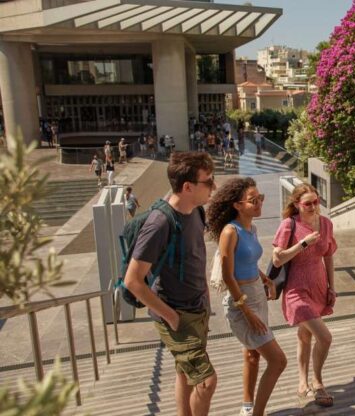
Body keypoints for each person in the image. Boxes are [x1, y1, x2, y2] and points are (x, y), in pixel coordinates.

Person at [123, 152, 217, 416]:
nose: (214, 186)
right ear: (188, 187)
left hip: (197, 308)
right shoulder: (160, 223)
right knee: (206, 381)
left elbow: (196, 257)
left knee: (185, 372)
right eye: (208, 181)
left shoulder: (196, 211)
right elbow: (132, 281)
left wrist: (205, 299)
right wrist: (171, 316)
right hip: (176, 313)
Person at [207, 178, 287, 416]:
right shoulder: (230, 232)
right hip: (241, 301)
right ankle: (257, 413)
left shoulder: (252, 227)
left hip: (256, 295)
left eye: (260, 198)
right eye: (253, 200)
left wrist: (266, 279)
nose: (259, 203)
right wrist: (246, 311)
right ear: (237, 205)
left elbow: (249, 261)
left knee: (253, 354)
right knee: (278, 361)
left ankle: (247, 405)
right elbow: (228, 276)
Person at [272, 184, 337, 407]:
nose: (312, 207)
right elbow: (277, 259)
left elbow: (328, 256)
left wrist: (331, 287)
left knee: (305, 334)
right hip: (296, 290)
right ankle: (317, 382)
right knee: (325, 337)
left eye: (315, 202)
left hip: (318, 286)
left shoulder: (326, 224)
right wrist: (303, 244)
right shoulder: (289, 225)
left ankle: (302, 381)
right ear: (297, 204)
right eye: (307, 203)